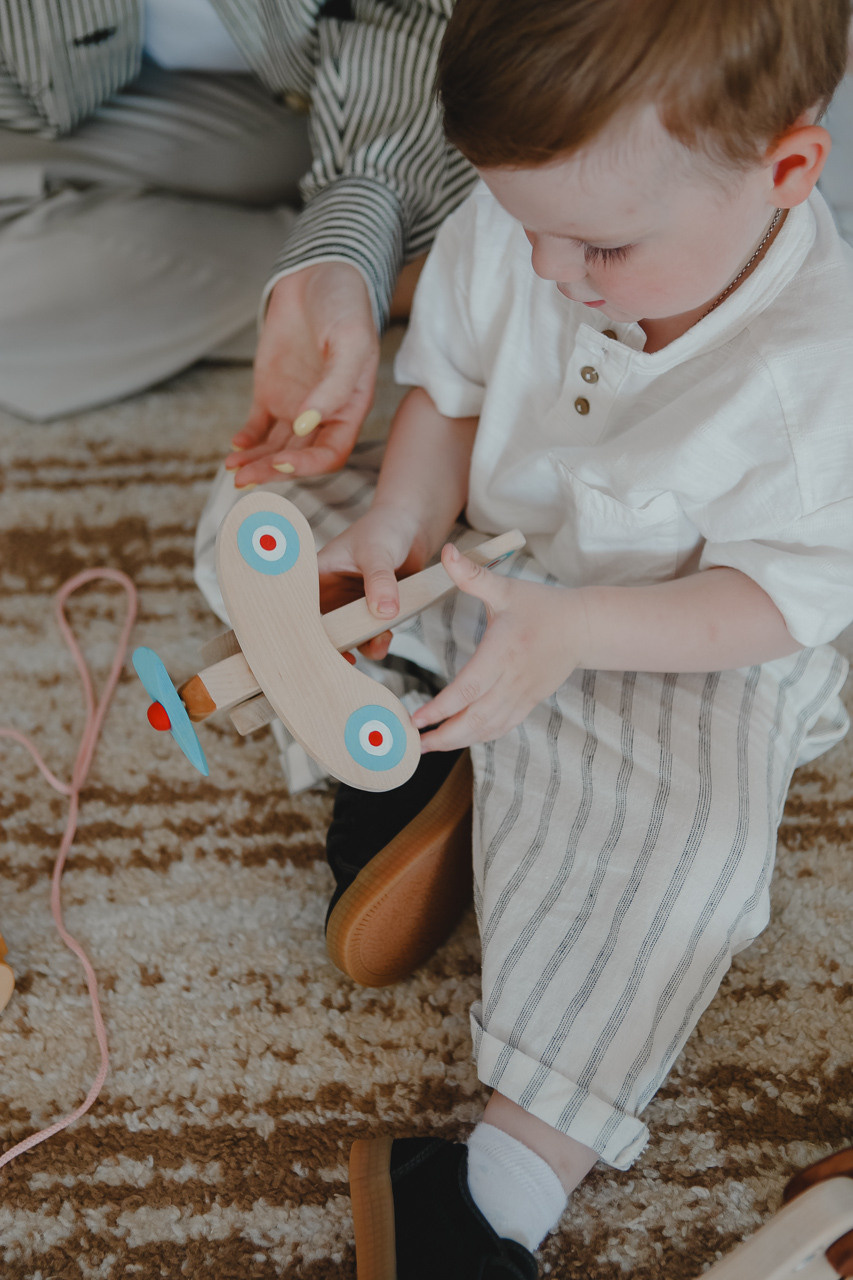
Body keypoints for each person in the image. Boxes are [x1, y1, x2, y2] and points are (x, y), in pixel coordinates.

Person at [247, 0, 852, 1274]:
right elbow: (449, 391)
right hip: (487, 557)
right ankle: (409, 737)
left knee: (694, 864)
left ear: (787, 172)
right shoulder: (528, 227)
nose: (543, 270)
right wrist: (399, 521)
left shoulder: (814, 373)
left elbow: (779, 600)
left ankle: (492, 1185)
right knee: (263, 524)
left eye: (599, 248)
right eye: (521, 223)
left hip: (674, 634)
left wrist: (576, 629)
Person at [0, 0, 473, 480]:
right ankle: (383, 277)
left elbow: (425, 20)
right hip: (77, 92)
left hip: (375, 75)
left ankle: (362, 271)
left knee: (485, 122)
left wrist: (356, 224)